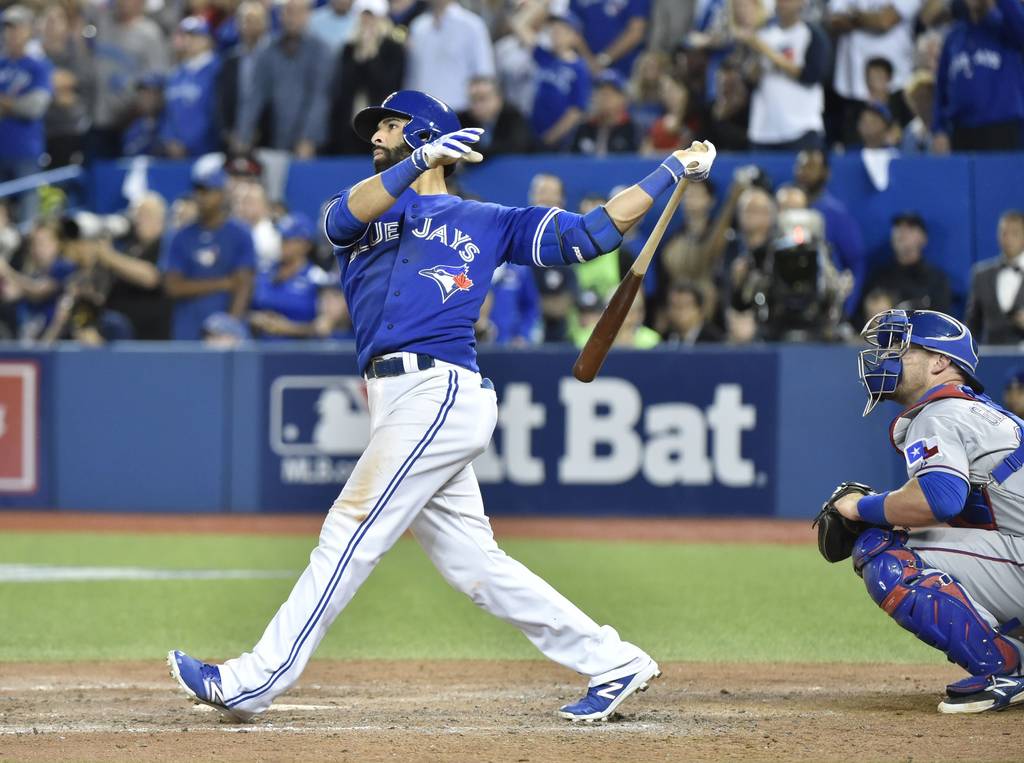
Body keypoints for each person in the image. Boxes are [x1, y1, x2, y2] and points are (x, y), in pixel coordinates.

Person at [168, 88, 717, 723]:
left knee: (348, 529)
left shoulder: (487, 219)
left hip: (439, 389)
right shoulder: (366, 208)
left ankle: (253, 680)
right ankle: (613, 661)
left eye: (390, 125)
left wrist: (671, 168)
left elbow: (593, 233)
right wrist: (417, 159)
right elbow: (338, 221)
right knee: (475, 566)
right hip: (395, 398)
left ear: (427, 132)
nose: (376, 136)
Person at [829, 308, 1024, 714]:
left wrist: (861, 507)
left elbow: (940, 499)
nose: (887, 358)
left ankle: (1003, 668)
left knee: (884, 551)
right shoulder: (979, 413)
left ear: (939, 361)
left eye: (901, 349)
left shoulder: (940, 412)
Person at [161, 162, 256, 340]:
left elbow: (243, 285)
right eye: (197, 190)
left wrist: (231, 326)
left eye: (207, 191)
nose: (200, 197)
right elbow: (173, 287)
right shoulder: (180, 236)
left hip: (225, 331)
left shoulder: (240, 234)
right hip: (187, 328)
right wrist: (224, 283)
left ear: (222, 194)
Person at [235, 0, 330, 157]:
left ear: (308, 15)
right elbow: (254, 96)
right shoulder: (267, 50)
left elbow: (319, 97)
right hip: (275, 138)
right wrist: (243, 134)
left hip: (313, 146)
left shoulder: (321, 50)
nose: (292, 17)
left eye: (298, 12)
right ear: (280, 15)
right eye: (288, 11)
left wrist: (309, 138)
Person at [932, 0, 1024, 153]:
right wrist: (939, 129)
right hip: (961, 131)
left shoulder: (1007, 27)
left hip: (1003, 128)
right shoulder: (954, 36)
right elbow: (941, 88)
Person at [739, 0, 830, 152]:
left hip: (802, 127)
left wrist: (768, 52)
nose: (783, 3)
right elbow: (750, 80)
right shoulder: (763, 34)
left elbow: (812, 75)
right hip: (764, 130)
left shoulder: (812, 34)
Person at [793, 149, 867, 316]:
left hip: (824, 303)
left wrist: (845, 309)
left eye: (811, 167)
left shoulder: (836, 214)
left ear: (826, 173)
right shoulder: (784, 208)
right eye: (801, 166)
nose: (804, 172)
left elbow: (855, 263)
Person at [326, 0, 405, 154]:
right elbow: (343, 87)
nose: (367, 22)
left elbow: (388, 85)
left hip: (381, 124)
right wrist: (360, 56)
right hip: (349, 125)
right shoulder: (349, 49)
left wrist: (371, 56)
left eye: (372, 17)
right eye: (364, 17)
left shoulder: (393, 48)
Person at [247, 213, 340, 340]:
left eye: (289, 239)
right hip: (258, 345)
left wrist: (288, 328)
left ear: (306, 245)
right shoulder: (264, 272)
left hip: (301, 349)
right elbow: (245, 310)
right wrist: (255, 319)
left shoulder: (318, 278)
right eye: (282, 238)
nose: (283, 243)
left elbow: (324, 327)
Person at [511, 5, 590, 151]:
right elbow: (518, 24)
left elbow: (576, 110)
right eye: (554, 30)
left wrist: (552, 136)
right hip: (534, 133)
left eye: (562, 30)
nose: (555, 34)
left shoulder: (579, 68)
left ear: (575, 36)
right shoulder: (544, 56)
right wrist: (539, 5)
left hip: (561, 140)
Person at [0, 6, 53, 225]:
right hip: (1, 149)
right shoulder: (1, 64)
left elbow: (34, 108)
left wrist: (5, 103)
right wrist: (15, 104)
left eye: (17, 27)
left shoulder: (38, 66)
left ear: (29, 30)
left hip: (26, 151)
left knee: (28, 219)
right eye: (8, 28)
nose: (12, 33)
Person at [404, 0, 495, 113]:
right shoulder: (418, 26)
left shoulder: (472, 25)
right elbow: (412, 77)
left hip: (460, 112)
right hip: (422, 112)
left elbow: (483, 75)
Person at [863, 212, 950, 317]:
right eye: (898, 227)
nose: (902, 233)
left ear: (923, 238)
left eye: (910, 228)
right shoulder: (879, 277)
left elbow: (941, 321)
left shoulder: (936, 280)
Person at [161, 17, 222, 158]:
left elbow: (216, 113)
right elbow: (168, 113)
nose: (188, 40)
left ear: (208, 39)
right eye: (184, 35)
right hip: (175, 154)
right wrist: (169, 139)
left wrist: (191, 143)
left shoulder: (217, 70)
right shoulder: (176, 74)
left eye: (194, 35)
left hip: (207, 151)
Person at [965, 210, 1024, 345]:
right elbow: (972, 324)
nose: (1008, 239)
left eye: (1015, 233)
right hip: (990, 354)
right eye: (1004, 233)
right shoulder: (981, 275)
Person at [570, 0, 650, 78]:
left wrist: (603, 60)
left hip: (626, 71)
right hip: (585, 69)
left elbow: (636, 32)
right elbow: (571, 29)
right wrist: (588, 60)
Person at [457, 76, 535, 156]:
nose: (477, 105)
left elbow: (516, 147)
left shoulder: (513, 117)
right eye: (472, 100)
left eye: (482, 99)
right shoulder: (461, 120)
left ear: (498, 98)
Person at [571, 69, 640, 156]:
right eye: (600, 92)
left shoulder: (632, 130)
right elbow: (571, 159)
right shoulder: (584, 128)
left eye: (610, 94)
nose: (603, 98)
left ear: (623, 99)